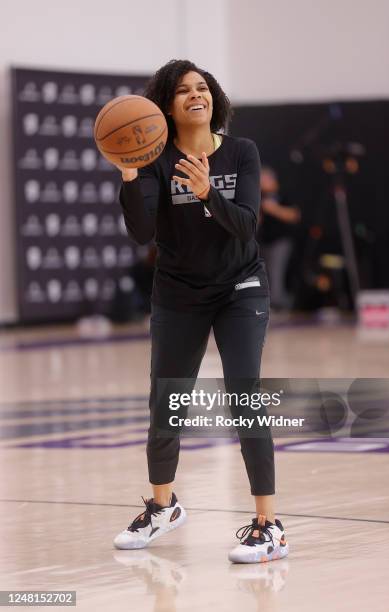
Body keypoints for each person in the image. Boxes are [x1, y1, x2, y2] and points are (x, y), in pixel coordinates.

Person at [112, 60, 289, 564]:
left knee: (243, 396)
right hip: (179, 292)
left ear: (214, 99)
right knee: (165, 400)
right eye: (185, 90)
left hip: (241, 288)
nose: (197, 94)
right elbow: (142, 232)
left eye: (203, 88)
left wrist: (209, 191)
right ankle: (163, 509)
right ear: (166, 105)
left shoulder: (241, 152)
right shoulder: (154, 159)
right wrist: (129, 174)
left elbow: (248, 226)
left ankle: (268, 525)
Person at [257, 167, 301, 310]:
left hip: (281, 241)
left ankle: (280, 305)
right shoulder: (259, 196)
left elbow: (294, 215)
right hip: (264, 242)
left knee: (277, 273)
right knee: (265, 274)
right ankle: (269, 304)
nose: (260, 182)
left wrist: (274, 209)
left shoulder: (283, 194)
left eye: (263, 179)